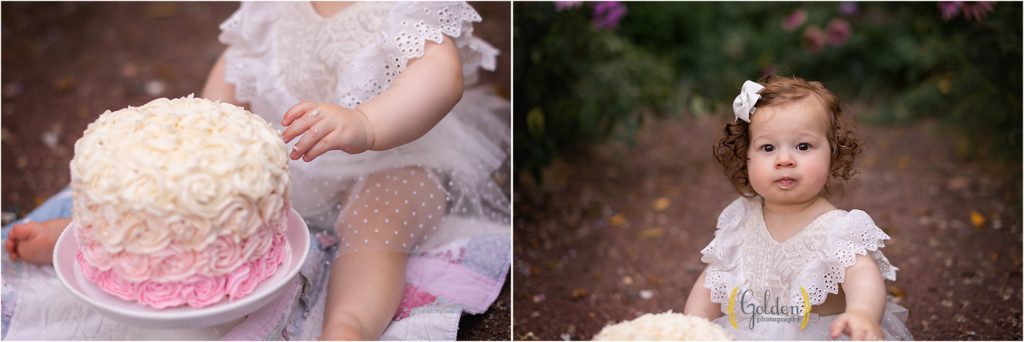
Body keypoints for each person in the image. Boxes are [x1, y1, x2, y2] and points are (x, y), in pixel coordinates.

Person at [3, 2, 509, 340]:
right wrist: (206, 125)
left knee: (377, 229)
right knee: (179, 199)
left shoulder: (404, 7)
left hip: (394, 155)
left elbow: (439, 79)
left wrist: (366, 124)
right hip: (300, 148)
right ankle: (87, 242)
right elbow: (239, 63)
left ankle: (349, 325)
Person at [682, 75, 913, 340]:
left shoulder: (838, 229)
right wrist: (692, 326)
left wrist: (862, 313)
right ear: (746, 157)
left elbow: (862, 275)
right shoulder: (741, 220)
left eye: (803, 146)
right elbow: (713, 283)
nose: (784, 160)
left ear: (833, 154)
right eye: (768, 147)